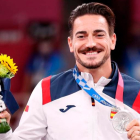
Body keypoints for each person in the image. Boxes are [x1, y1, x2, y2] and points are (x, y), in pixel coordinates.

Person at [0, 2, 140, 140]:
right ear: (71, 44)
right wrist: (3, 131)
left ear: (112, 40)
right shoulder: (47, 89)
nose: (90, 43)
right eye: (81, 36)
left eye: (99, 35)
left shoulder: (137, 93)